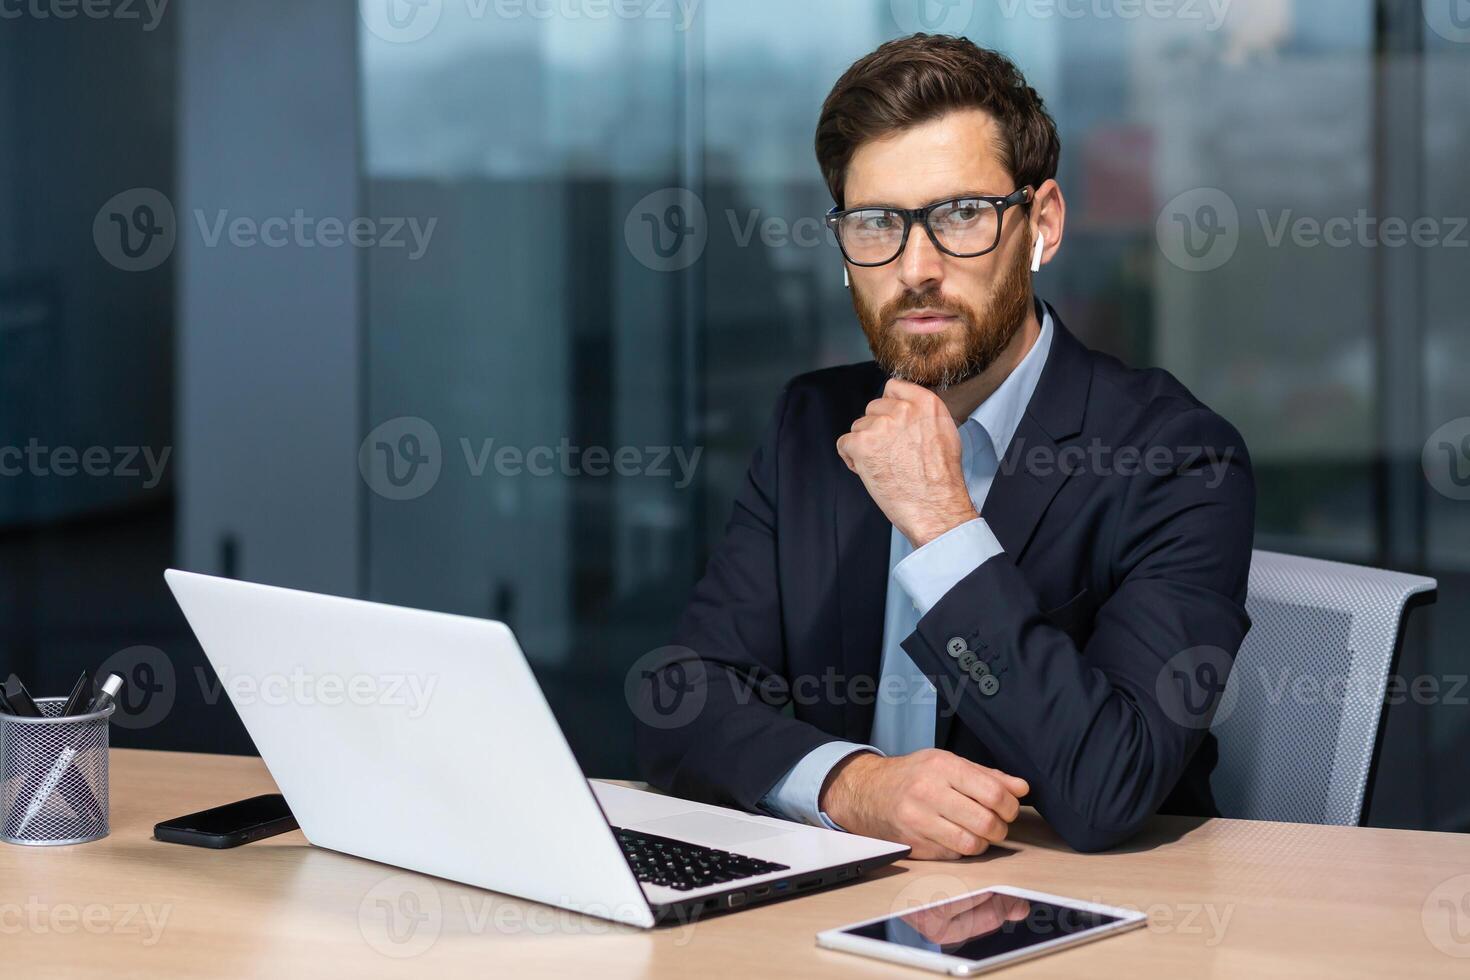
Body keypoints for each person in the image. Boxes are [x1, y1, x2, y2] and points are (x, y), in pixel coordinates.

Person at [634, 34, 1255, 856]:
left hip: (1087, 916)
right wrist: (851, 785)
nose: (915, 266)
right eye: (875, 223)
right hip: (850, 899)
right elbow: (684, 703)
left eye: (962, 215)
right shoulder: (811, 424)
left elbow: (1112, 786)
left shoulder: (1178, 458)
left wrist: (942, 521)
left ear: (1043, 224)